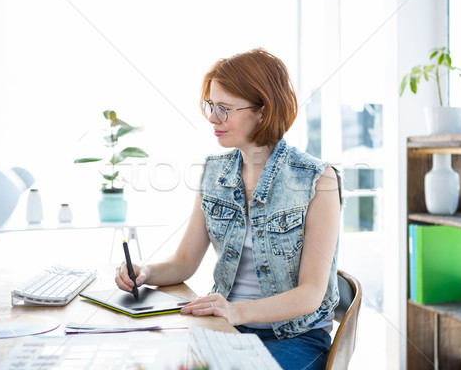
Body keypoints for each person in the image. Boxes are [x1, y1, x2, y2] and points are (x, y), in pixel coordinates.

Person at [115, 48, 342, 370]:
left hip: (294, 338)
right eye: (210, 106)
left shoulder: (317, 179)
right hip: (224, 329)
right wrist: (146, 272)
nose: (211, 118)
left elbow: (310, 294)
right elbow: (183, 262)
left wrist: (237, 311)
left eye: (224, 109)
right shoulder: (214, 172)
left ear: (263, 111)